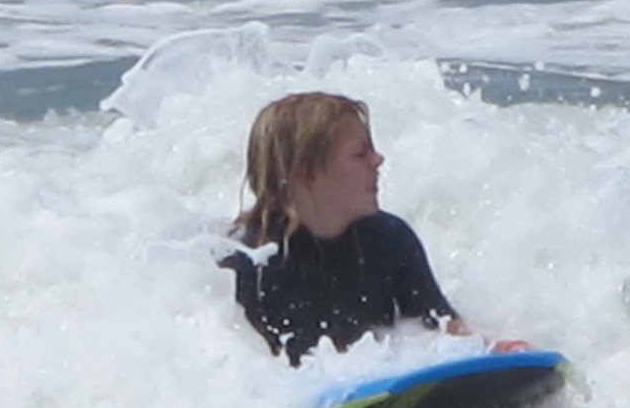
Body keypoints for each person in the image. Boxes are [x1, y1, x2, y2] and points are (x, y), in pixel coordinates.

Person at [221, 92, 521, 365]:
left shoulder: (389, 240)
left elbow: (442, 326)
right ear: (307, 173)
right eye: (360, 153)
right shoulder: (246, 259)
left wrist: (494, 349)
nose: (377, 160)